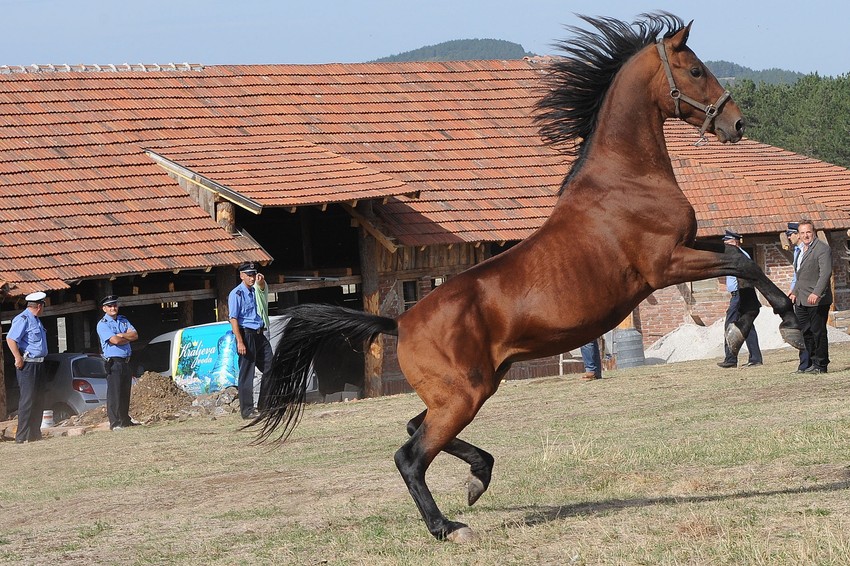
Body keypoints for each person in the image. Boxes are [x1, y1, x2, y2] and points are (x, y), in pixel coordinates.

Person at [228, 262, 273, 419]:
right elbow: (233, 319)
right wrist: (239, 341)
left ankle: (264, 406)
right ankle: (247, 410)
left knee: (271, 367)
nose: (252, 277)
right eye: (248, 275)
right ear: (241, 276)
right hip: (246, 334)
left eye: (253, 274)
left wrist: (260, 282)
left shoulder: (255, 291)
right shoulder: (236, 294)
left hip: (259, 333)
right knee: (247, 373)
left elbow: (263, 289)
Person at [6, 291, 49, 444]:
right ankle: (22, 436)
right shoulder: (23, 319)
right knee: (28, 399)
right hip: (28, 364)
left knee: (39, 399)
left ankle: (34, 434)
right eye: (43, 305)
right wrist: (17, 357)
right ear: (39, 306)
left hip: (39, 363)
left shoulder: (36, 320)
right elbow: (11, 339)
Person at [790, 220, 833, 374]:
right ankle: (812, 363)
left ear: (813, 232)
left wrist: (817, 292)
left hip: (817, 300)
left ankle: (821, 365)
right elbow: (800, 275)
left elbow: (825, 273)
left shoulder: (822, 249)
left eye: (808, 232)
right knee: (806, 332)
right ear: (799, 235)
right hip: (801, 299)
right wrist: (794, 291)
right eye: (802, 233)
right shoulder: (801, 250)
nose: (805, 235)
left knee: (818, 331)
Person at [717, 230, 763, 368]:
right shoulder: (737, 255)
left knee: (730, 324)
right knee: (747, 326)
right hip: (740, 294)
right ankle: (755, 358)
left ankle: (731, 359)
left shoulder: (739, 256)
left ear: (735, 242)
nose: (726, 245)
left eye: (728, 243)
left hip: (740, 294)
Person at [96, 295, 139, 431]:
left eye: (114, 305)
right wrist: (125, 337)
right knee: (115, 393)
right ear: (104, 309)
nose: (113, 308)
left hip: (126, 361)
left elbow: (135, 336)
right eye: (110, 306)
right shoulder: (102, 324)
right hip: (114, 362)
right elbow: (115, 340)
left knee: (125, 392)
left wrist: (122, 336)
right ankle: (115, 423)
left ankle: (125, 420)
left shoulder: (123, 320)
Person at [785, 222, 811, 372]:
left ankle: (807, 363)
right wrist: (792, 290)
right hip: (798, 294)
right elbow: (796, 274)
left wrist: (795, 290)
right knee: (803, 330)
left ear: (798, 234)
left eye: (790, 234)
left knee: (807, 330)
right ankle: (805, 363)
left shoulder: (806, 250)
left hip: (806, 294)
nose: (789, 237)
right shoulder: (797, 251)